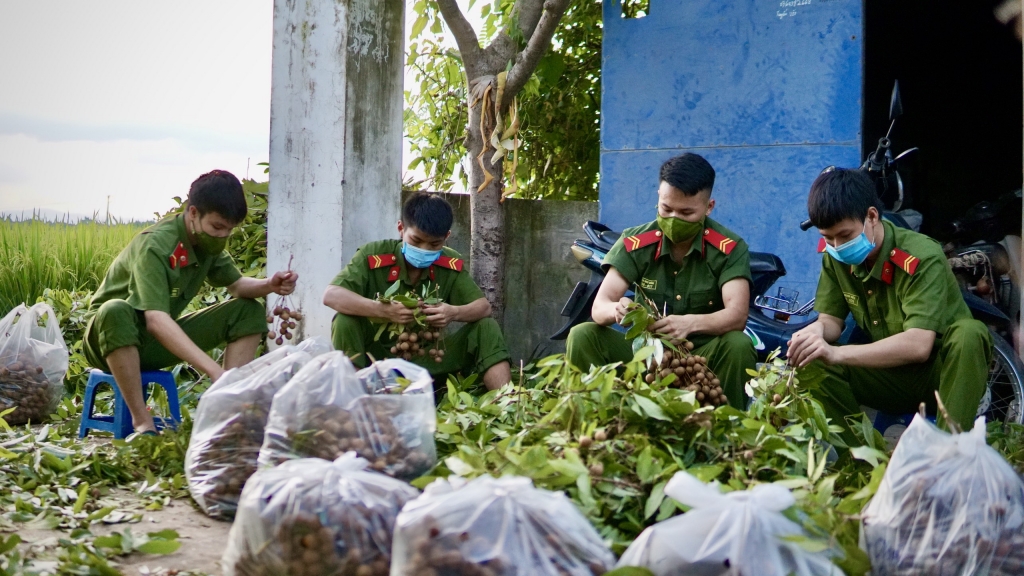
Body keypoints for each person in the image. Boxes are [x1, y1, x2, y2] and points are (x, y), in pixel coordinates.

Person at [83, 170, 297, 435]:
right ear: (194, 213)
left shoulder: (207, 243)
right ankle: (142, 424)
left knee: (248, 309)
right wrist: (214, 370)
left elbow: (237, 285)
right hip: (108, 340)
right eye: (217, 227)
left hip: (150, 343)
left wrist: (269, 285)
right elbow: (156, 320)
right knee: (115, 310)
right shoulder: (156, 245)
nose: (222, 235)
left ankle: (228, 414)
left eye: (229, 230)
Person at [788, 167, 992, 440]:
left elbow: (918, 346)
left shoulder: (921, 256)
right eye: (828, 238)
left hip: (943, 378)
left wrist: (837, 353)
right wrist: (814, 334)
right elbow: (831, 322)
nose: (837, 246)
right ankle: (861, 463)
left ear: (872, 216)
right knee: (811, 362)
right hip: (888, 378)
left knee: (970, 333)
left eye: (845, 236)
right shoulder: (835, 257)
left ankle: (948, 456)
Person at [565, 153, 756, 407]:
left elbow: (737, 315)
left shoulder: (729, 248)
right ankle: (589, 427)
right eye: (666, 209)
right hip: (645, 357)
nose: (674, 219)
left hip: (702, 362)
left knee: (738, 344)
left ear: (709, 207)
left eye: (686, 212)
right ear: (658, 197)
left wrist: (689, 324)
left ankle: (730, 435)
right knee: (582, 335)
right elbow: (600, 308)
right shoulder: (635, 243)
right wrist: (618, 310)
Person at [324, 192, 512, 390]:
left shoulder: (449, 264)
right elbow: (331, 295)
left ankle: (507, 404)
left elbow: (483, 308)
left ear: (446, 237)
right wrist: (382, 310)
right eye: (416, 240)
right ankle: (352, 399)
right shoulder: (373, 256)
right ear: (400, 228)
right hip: (374, 361)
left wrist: (453, 313)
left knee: (486, 327)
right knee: (344, 320)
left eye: (434, 244)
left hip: (427, 361)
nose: (424, 249)